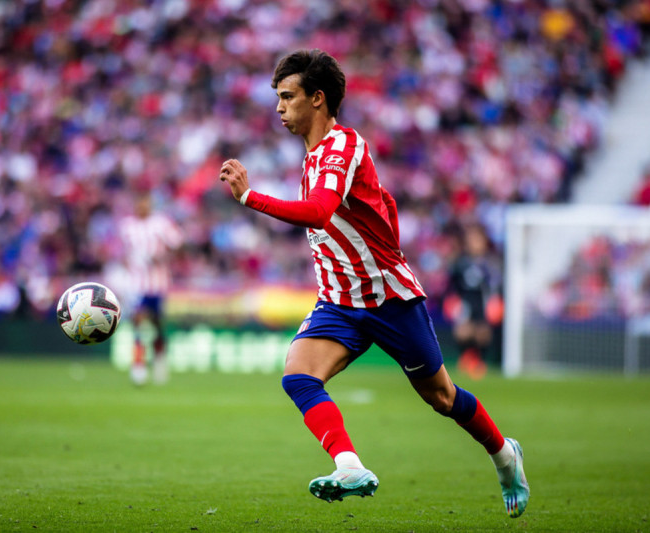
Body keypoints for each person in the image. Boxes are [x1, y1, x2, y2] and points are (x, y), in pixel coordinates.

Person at [219, 49, 529, 518]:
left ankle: (505, 454)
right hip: (340, 301)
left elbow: (321, 211)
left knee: (441, 397)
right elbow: (381, 203)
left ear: (318, 99)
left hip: (387, 298)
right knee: (298, 375)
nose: (279, 108)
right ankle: (349, 467)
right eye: (277, 98)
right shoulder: (311, 157)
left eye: (288, 97)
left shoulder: (343, 147)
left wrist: (249, 197)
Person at [118, 190, 183, 385]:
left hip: (158, 284)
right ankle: (138, 365)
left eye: (145, 202)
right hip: (137, 285)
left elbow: (178, 245)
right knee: (138, 321)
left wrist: (162, 257)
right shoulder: (127, 226)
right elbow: (123, 253)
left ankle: (160, 360)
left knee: (157, 325)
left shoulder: (160, 223)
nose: (142, 206)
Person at [443, 223, 504, 379]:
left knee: (483, 333)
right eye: (471, 239)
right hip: (466, 304)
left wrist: (495, 303)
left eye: (477, 240)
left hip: (483, 304)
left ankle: (480, 362)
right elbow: (452, 287)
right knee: (463, 332)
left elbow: (495, 287)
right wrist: (453, 303)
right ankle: (466, 359)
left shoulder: (490, 264)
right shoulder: (460, 263)